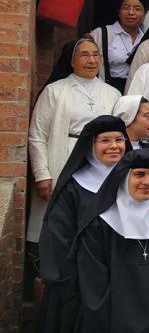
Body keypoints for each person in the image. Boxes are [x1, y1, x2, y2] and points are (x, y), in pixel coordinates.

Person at [34, 116, 130, 333]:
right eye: (105, 140)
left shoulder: (135, 182)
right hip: (78, 287)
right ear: (90, 145)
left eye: (119, 140)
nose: (114, 146)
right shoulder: (74, 187)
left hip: (121, 283)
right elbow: (57, 239)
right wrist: (70, 284)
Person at [76, 148, 149, 333]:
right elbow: (94, 283)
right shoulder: (101, 220)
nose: (147, 182)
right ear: (124, 177)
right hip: (115, 321)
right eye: (139, 174)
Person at [29, 38, 122, 242]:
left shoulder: (113, 93)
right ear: (71, 61)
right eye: (84, 55)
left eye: (95, 55)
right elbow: (37, 134)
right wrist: (41, 174)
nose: (91, 60)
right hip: (63, 155)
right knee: (61, 218)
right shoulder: (55, 90)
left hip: (100, 160)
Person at [89, 0, 146, 90]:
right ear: (119, 12)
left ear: (145, 14)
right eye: (126, 8)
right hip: (105, 89)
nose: (131, 13)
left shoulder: (147, 40)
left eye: (137, 9)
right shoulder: (101, 34)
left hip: (137, 90)